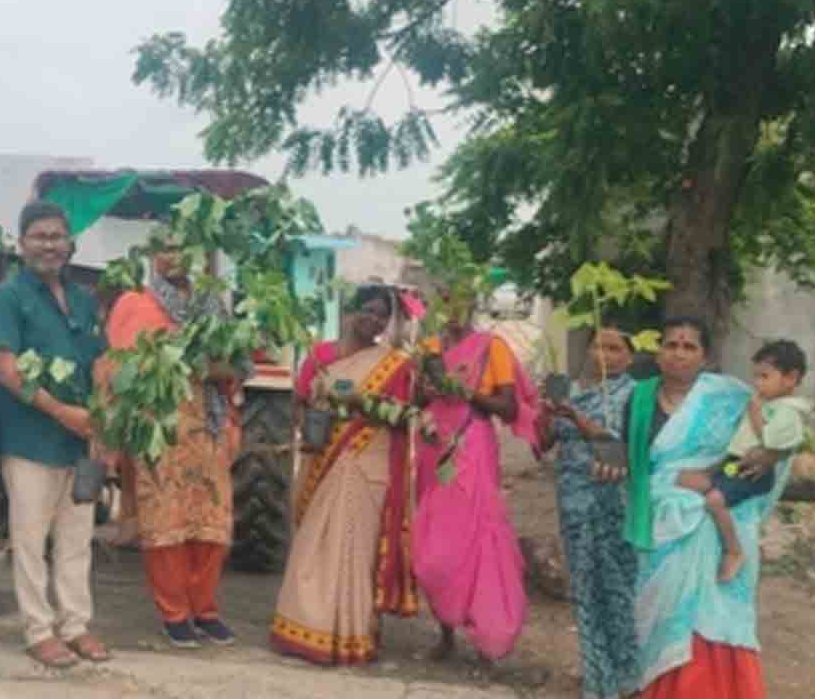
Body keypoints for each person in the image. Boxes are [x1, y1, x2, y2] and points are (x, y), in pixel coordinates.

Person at [622, 317, 784, 699]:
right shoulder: (640, 397)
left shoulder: (729, 399)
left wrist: (710, 476)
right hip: (658, 521)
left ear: (706, 357)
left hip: (712, 520)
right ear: (658, 352)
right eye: (671, 344)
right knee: (660, 617)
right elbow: (634, 461)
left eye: (689, 346)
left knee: (709, 615)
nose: (678, 353)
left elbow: (762, 454)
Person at [0, 201, 109, 668]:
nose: (49, 245)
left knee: (77, 540)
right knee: (31, 540)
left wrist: (101, 427)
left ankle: (75, 625)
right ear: (21, 243)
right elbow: (6, 370)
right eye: (39, 236)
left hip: (80, 440)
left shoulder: (82, 299)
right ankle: (38, 630)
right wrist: (61, 412)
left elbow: (99, 362)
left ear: (70, 244)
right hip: (30, 438)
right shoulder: (7, 298)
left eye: (57, 236)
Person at [97, 245, 244, 649]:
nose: (176, 255)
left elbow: (237, 365)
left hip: (208, 427)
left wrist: (204, 367)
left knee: (211, 524)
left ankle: (206, 610)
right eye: (168, 246)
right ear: (152, 254)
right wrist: (182, 365)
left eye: (185, 246)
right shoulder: (135, 303)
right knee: (167, 524)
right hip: (159, 429)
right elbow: (121, 367)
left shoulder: (212, 303)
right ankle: (174, 613)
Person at [269, 285, 419, 665]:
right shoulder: (319, 356)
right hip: (324, 456)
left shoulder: (396, 364)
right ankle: (306, 625)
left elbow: (403, 415)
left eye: (382, 316)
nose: (374, 321)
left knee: (355, 547)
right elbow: (299, 403)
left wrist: (362, 405)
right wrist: (311, 424)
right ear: (349, 312)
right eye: (368, 311)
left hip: (368, 458)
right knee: (313, 543)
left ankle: (350, 634)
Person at [412, 282, 542, 663]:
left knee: (475, 537)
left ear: (474, 305)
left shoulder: (492, 347)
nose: (454, 308)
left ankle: (486, 629)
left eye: (462, 301)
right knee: (436, 544)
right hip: (435, 445)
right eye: (447, 299)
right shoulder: (429, 348)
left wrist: (463, 391)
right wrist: (429, 381)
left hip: (473, 444)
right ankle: (445, 631)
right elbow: (415, 399)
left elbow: (507, 406)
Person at [538, 326, 641, 699]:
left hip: (612, 503)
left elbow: (617, 448)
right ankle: (598, 679)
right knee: (584, 589)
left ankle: (630, 677)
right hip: (573, 503)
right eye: (599, 346)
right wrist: (548, 411)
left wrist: (577, 418)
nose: (605, 354)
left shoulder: (633, 397)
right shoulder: (577, 392)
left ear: (628, 357)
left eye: (615, 348)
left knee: (616, 589)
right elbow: (544, 444)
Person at [675, 339, 812, 583]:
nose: (757, 384)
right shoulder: (771, 403)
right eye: (756, 376)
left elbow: (770, 442)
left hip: (751, 473)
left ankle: (734, 551)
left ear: (791, 378)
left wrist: (755, 413)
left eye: (764, 376)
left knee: (714, 501)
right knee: (686, 480)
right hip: (733, 464)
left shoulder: (788, 411)